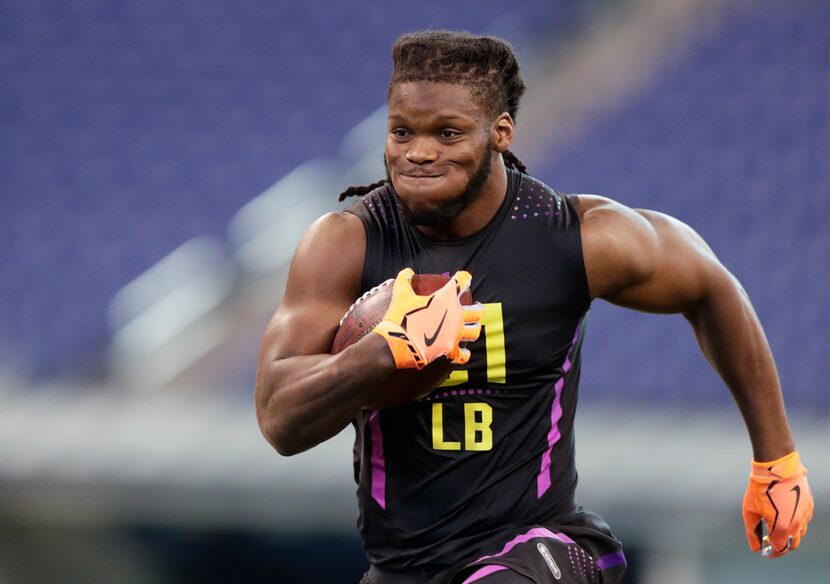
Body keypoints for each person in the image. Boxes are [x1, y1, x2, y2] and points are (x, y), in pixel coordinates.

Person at [255, 31, 814, 584]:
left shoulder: (576, 236)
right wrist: (384, 352)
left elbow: (709, 286)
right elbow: (280, 420)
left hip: (538, 546)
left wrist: (777, 460)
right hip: (401, 567)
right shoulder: (346, 243)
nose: (418, 152)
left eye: (447, 133)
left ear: (501, 133)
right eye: (402, 132)